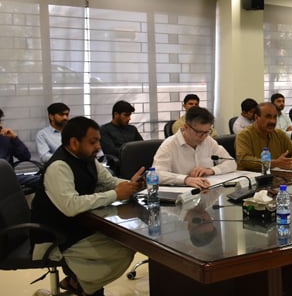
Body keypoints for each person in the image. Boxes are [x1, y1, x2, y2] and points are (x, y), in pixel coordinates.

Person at [31, 116, 144, 296]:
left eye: (98, 140)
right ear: (74, 142)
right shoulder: (58, 167)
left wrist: (131, 185)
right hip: (54, 237)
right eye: (93, 142)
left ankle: (79, 283)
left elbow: (109, 182)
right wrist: (116, 194)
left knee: (129, 241)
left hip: (79, 227)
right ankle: (83, 286)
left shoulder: (87, 158)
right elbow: (71, 205)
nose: (98, 146)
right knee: (122, 250)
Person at [152, 106, 237, 189]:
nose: (203, 137)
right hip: (180, 196)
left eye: (207, 132)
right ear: (186, 127)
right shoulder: (169, 145)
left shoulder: (208, 140)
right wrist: (185, 179)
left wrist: (210, 170)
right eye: (199, 132)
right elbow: (156, 174)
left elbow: (231, 163)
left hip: (206, 192)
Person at [235, 102, 292, 171]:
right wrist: (274, 163)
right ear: (256, 117)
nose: (273, 121)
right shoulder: (244, 135)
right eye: (268, 117)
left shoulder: (279, 134)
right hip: (254, 178)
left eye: (274, 117)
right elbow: (244, 161)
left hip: (278, 176)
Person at [0, 107, 40, 189]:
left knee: (43, 181)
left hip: (8, 177)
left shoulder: (5, 138)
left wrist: (14, 138)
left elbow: (25, 156)